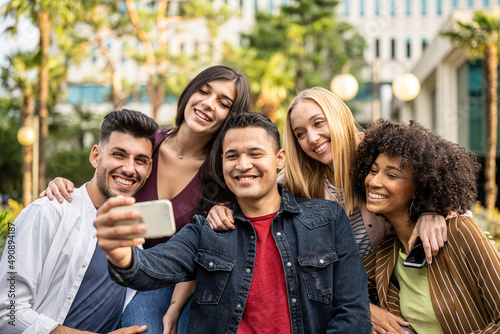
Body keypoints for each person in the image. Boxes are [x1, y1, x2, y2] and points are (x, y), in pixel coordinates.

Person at [94, 112, 372, 334]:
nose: (242, 165)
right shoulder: (207, 230)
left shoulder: (327, 218)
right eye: (232, 156)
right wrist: (121, 255)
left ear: (279, 160)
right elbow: (149, 269)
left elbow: (352, 313)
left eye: (255, 154)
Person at [40, 65, 252, 334]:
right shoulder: (145, 142)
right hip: (107, 264)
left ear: (230, 117)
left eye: (223, 103)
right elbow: (102, 184)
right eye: (203, 91)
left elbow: (201, 252)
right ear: (189, 93)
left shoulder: (221, 173)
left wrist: (174, 308)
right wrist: (61, 185)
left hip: (169, 283)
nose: (208, 104)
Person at [0, 109, 158, 334]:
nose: (129, 169)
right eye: (119, 154)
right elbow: (7, 311)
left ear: (149, 168)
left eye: (140, 160)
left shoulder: (137, 233)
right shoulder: (45, 212)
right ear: (96, 156)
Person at [353, 119, 500, 333]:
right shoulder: (385, 255)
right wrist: (369, 311)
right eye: (373, 171)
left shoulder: (460, 232)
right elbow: (333, 288)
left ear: (420, 187)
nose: (374, 182)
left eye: (392, 175)